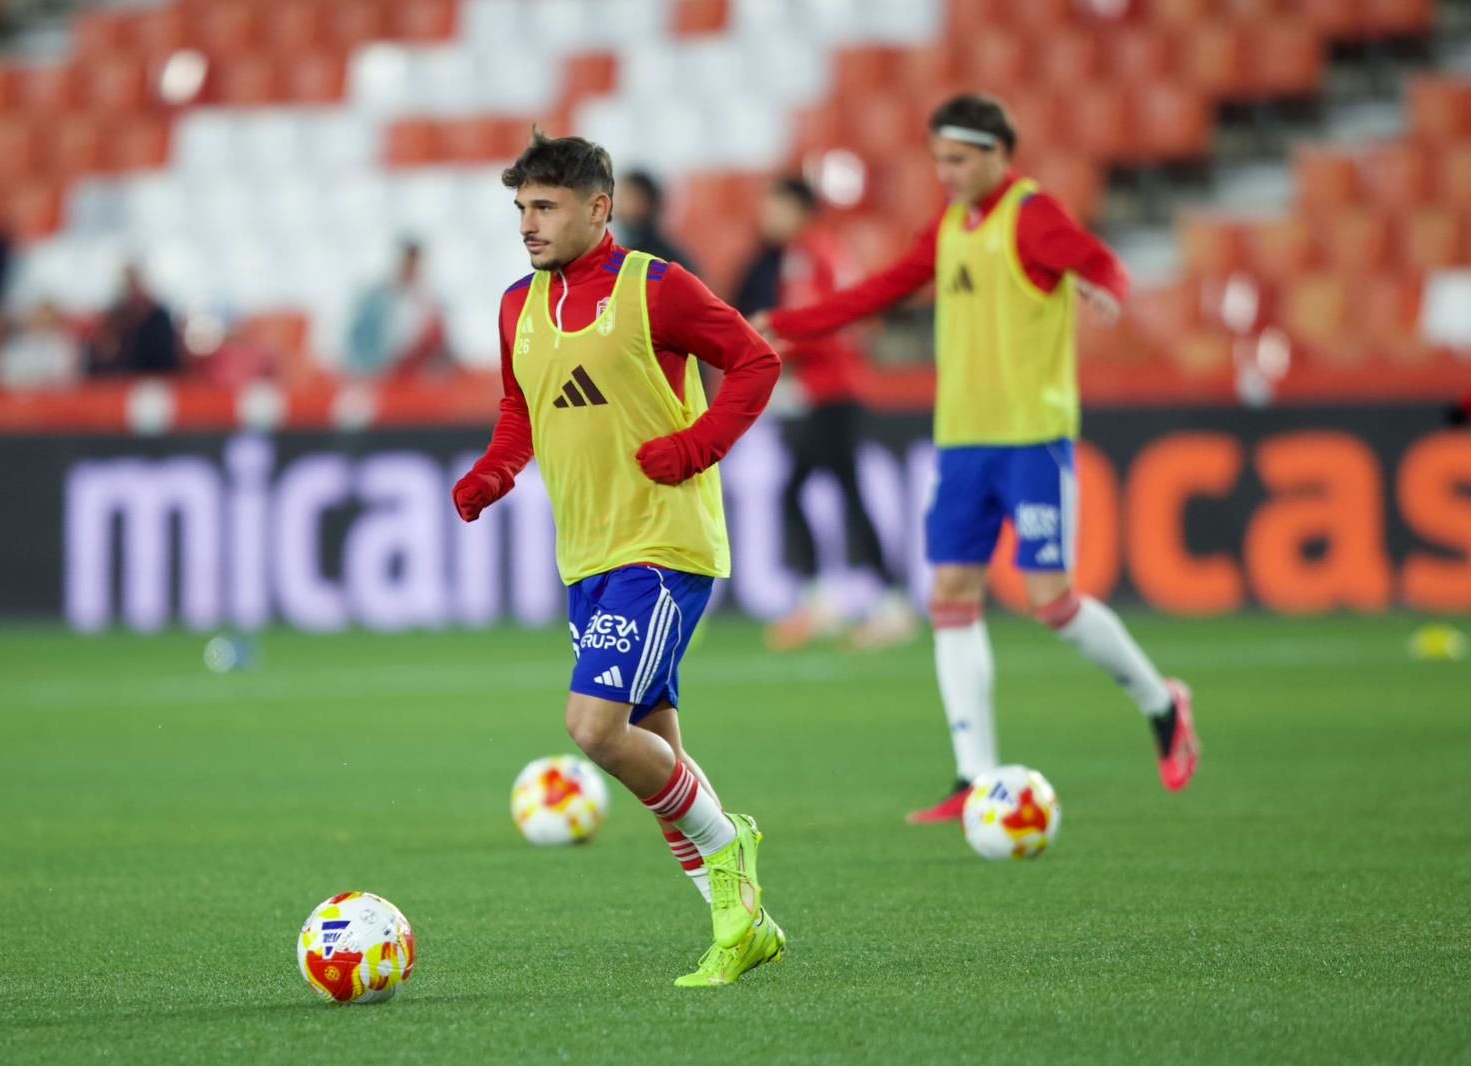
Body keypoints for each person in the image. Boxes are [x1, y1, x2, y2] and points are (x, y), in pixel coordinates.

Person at [753, 93, 1201, 823]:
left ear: (999, 153)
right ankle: (974, 776)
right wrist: (787, 323)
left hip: (1031, 439)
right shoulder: (950, 227)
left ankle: (1161, 703)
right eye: (938, 160)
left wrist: (1104, 285)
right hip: (961, 442)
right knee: (952, 596)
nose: (947, 173)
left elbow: (1097, 259)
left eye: (959, 159)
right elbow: (883, 289)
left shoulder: (1032, 215)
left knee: (1049, 600)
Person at [452, 132, 785, 987]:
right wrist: (496, 470)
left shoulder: (654, 288)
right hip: (587, 556)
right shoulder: (515, 306)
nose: (527, 224)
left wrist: (699, 445)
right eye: (520, 207)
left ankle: (729, 844)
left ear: (599, 209)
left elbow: (755, 361)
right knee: (654, 746)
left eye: (545, 207)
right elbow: (520, 408)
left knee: (595, 729)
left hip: (666, 545)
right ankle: (739, 920)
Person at [735, 176, 918, 651]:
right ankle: (848, 601)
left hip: (828, 390)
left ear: (798, 209)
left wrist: (770, 349)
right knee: (821, 490)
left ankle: (874, 603)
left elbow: (822, 323)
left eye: (774, 207)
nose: (766, 218)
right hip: (828, 389)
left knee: (824, 491)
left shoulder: (808, 254)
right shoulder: (822, 251)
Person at [344, 242, 450, 377]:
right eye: (408, 263)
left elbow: (439, 344)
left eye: (416, 264)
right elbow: (360, 340)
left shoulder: (430, 302)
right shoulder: (378, 299)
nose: (412, 269)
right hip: (383, 374)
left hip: (418, 376)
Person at [85, 265, 180, 377]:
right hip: (122, 380)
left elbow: (166, 356)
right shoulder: (117, 316)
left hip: (158, 378)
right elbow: (105, 351)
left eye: (134, 283)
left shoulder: (159, 317)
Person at [611, 170, 697, 273]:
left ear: (645, 202)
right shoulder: (625, 246)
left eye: (625, 196)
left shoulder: (658, 258)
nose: (617, 203)